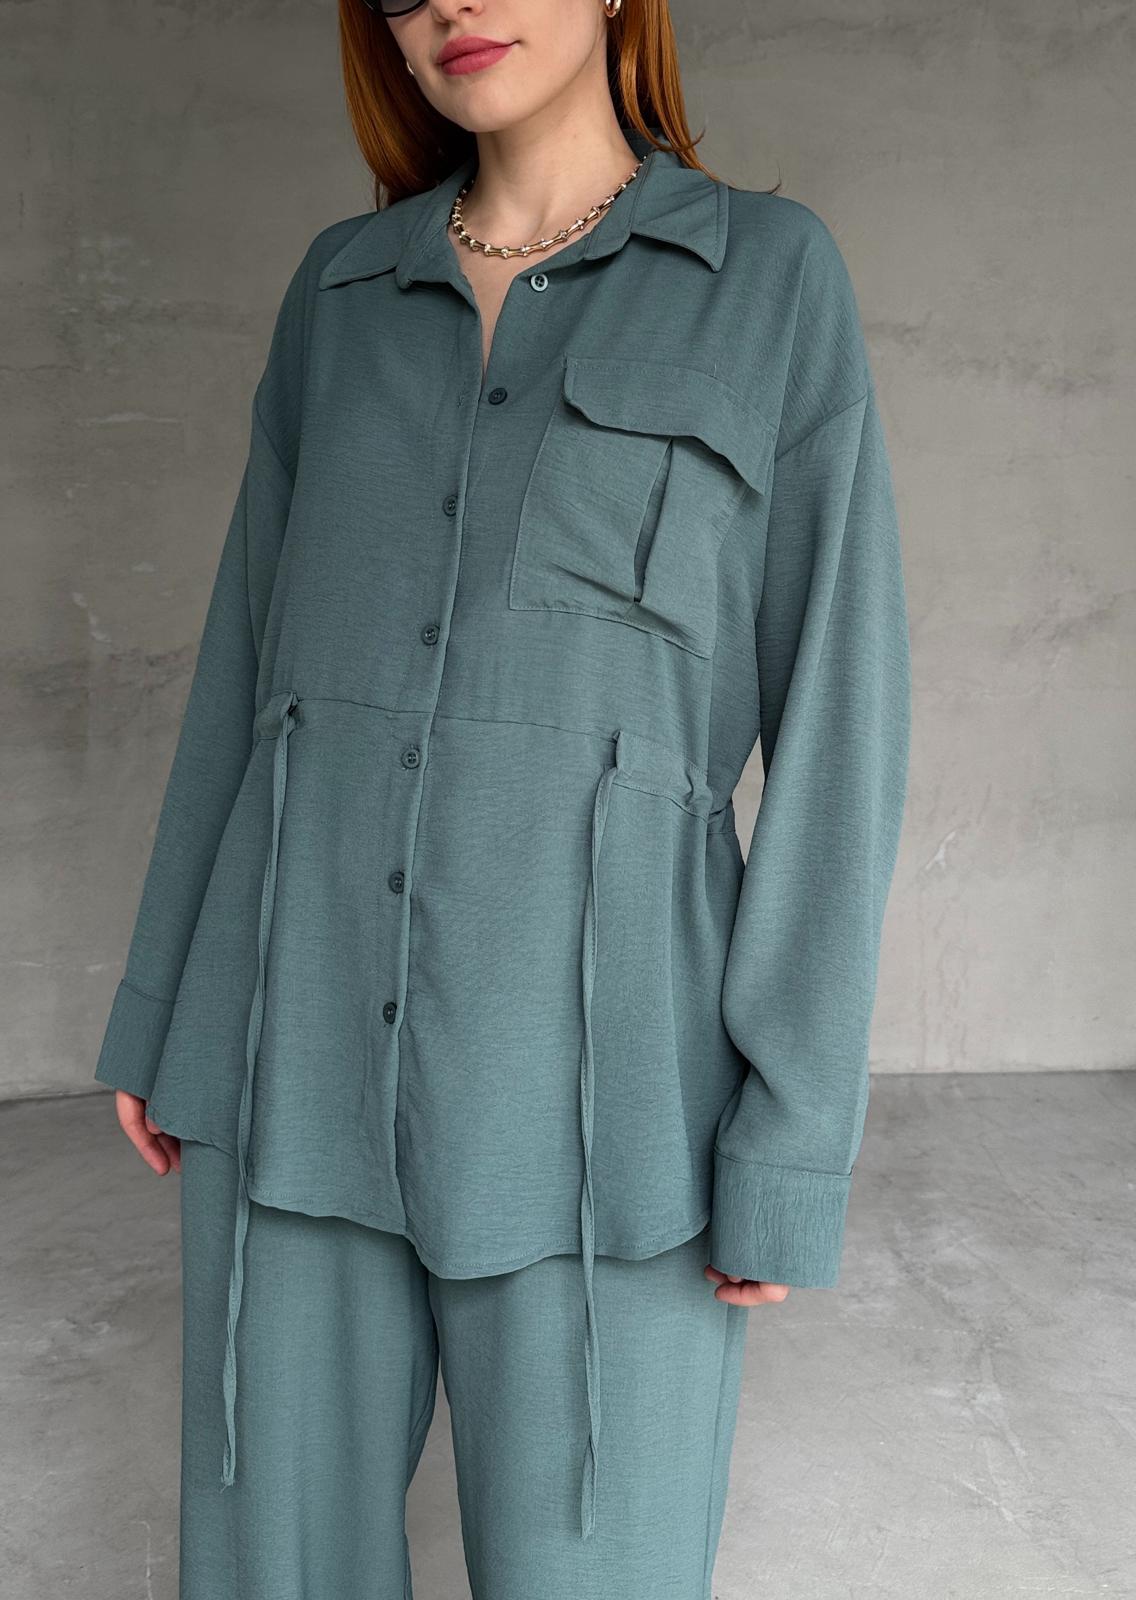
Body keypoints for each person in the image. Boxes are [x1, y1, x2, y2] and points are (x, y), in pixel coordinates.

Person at [93, 0, 912, 1594]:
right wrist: (162, 1006)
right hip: (290, 1047)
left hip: (615, 1108)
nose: (452, 5)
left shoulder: (769, 281)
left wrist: (792, 1139)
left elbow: (844, 724)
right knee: (274, 1572)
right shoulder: (338, 294)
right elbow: (246, 670)